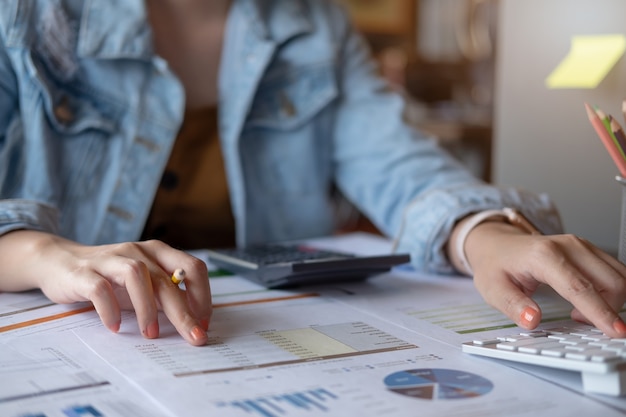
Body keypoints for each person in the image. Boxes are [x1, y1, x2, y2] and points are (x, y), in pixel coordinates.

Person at [0, 0, 624, 347]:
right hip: (71, 342)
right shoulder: (25, 17)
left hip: (252, 344)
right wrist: (41, 253)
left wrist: (488, 234)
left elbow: (399, 164)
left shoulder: (317, 26)